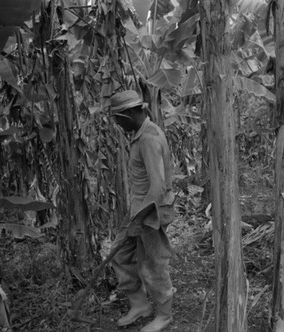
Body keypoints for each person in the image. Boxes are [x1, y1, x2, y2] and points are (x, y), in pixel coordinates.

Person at [109, 90, 176, 332]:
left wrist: (139, 220)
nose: (116, 123)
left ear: (129, 113)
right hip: (140, 211)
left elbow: (157, 188)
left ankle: (164, 315)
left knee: (153, 263)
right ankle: (140, 305)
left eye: (117, 118)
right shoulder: (142, 134)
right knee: (120, 254)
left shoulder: (148, 139)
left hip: (150, 214)